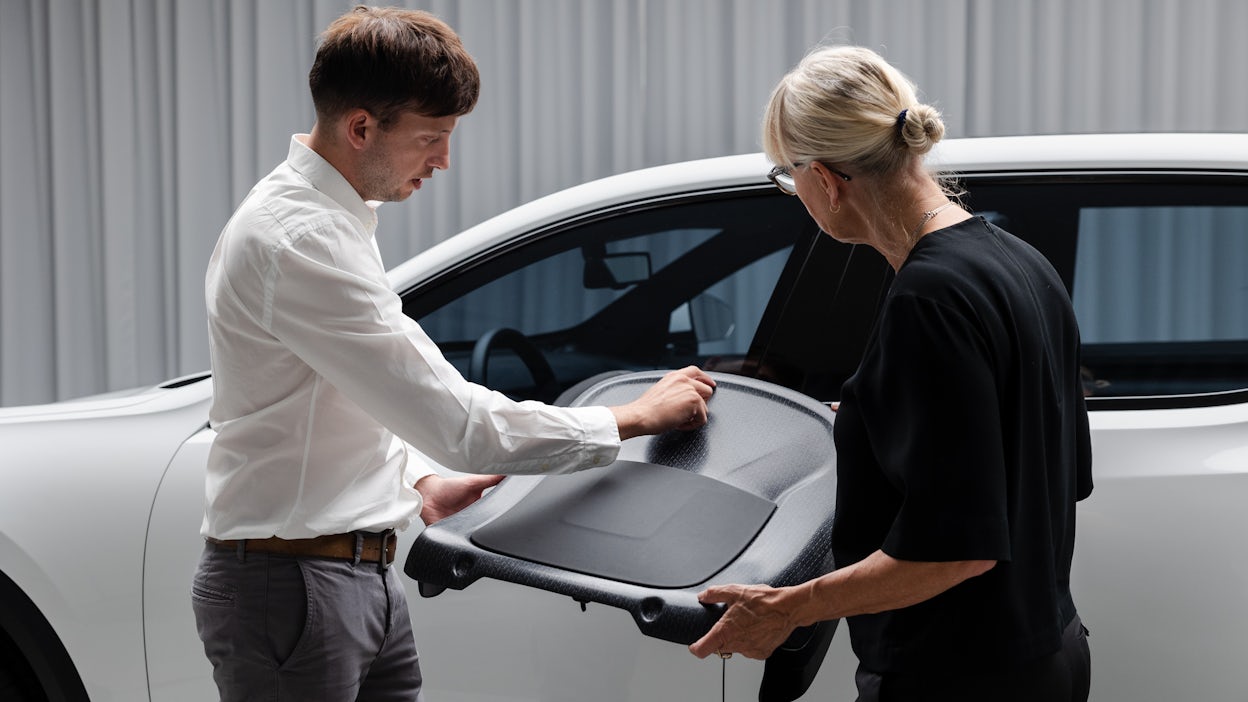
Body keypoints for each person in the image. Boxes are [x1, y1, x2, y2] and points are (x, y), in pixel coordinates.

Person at [193, 6, 716, 702]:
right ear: (360, 128)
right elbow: (459, 424)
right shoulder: (299, 240)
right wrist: (632, 418)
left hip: (350, 574)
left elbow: (342, 392)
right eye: (431, 139)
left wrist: (414, 482)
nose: (443, 160)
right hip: (295, 587)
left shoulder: (328, 221)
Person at [689, 46, 1092, 701]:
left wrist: (788, 607)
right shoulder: (1020, 264)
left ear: (825, 178)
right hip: (1050, 654)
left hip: (957, 677)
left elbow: (957, 549)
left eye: (789, 180)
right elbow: (1050, 471)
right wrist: (884, 428)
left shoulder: (927, 299)